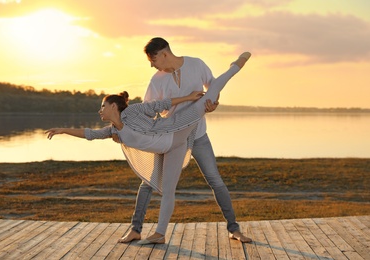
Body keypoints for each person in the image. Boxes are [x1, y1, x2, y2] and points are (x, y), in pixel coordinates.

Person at [46, 52, 251, 244]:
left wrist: (191, 98)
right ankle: (152, 233)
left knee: (210, 96)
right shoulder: (114, 131)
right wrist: (63, 129)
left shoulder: (134, 111)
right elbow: (89, 133)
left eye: (102, 106)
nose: (99, 110)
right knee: (159, 186)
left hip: (176, 128)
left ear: (113, 107)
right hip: (168, 147)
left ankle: (235, 67)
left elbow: (160, 105)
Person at [117, 37, 252, 245]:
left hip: (198, 135)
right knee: (147, 183)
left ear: (164, 54)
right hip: (171, 138)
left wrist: (213, 105)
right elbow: (147, 111)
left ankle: (234, 229)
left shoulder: (196, 65)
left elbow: (213, 87)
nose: (151, 64)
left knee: (215, 180)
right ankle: (136, 229)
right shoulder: (157, 80)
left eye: (153, 59)